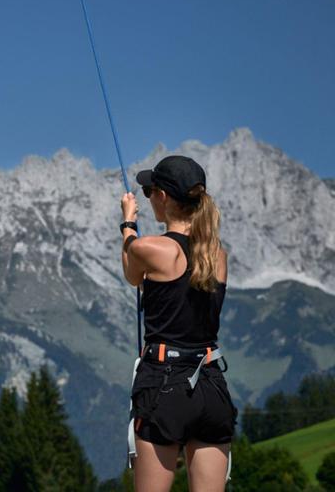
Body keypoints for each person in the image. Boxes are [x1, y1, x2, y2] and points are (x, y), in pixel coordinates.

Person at [120, 155, 236, 492]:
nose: (147, 196)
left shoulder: (150, 248)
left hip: (162, 384)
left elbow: (131, 273)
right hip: (211, 383)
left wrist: (128, 223)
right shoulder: (218, 255)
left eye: (148, 190)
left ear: (163, 197)